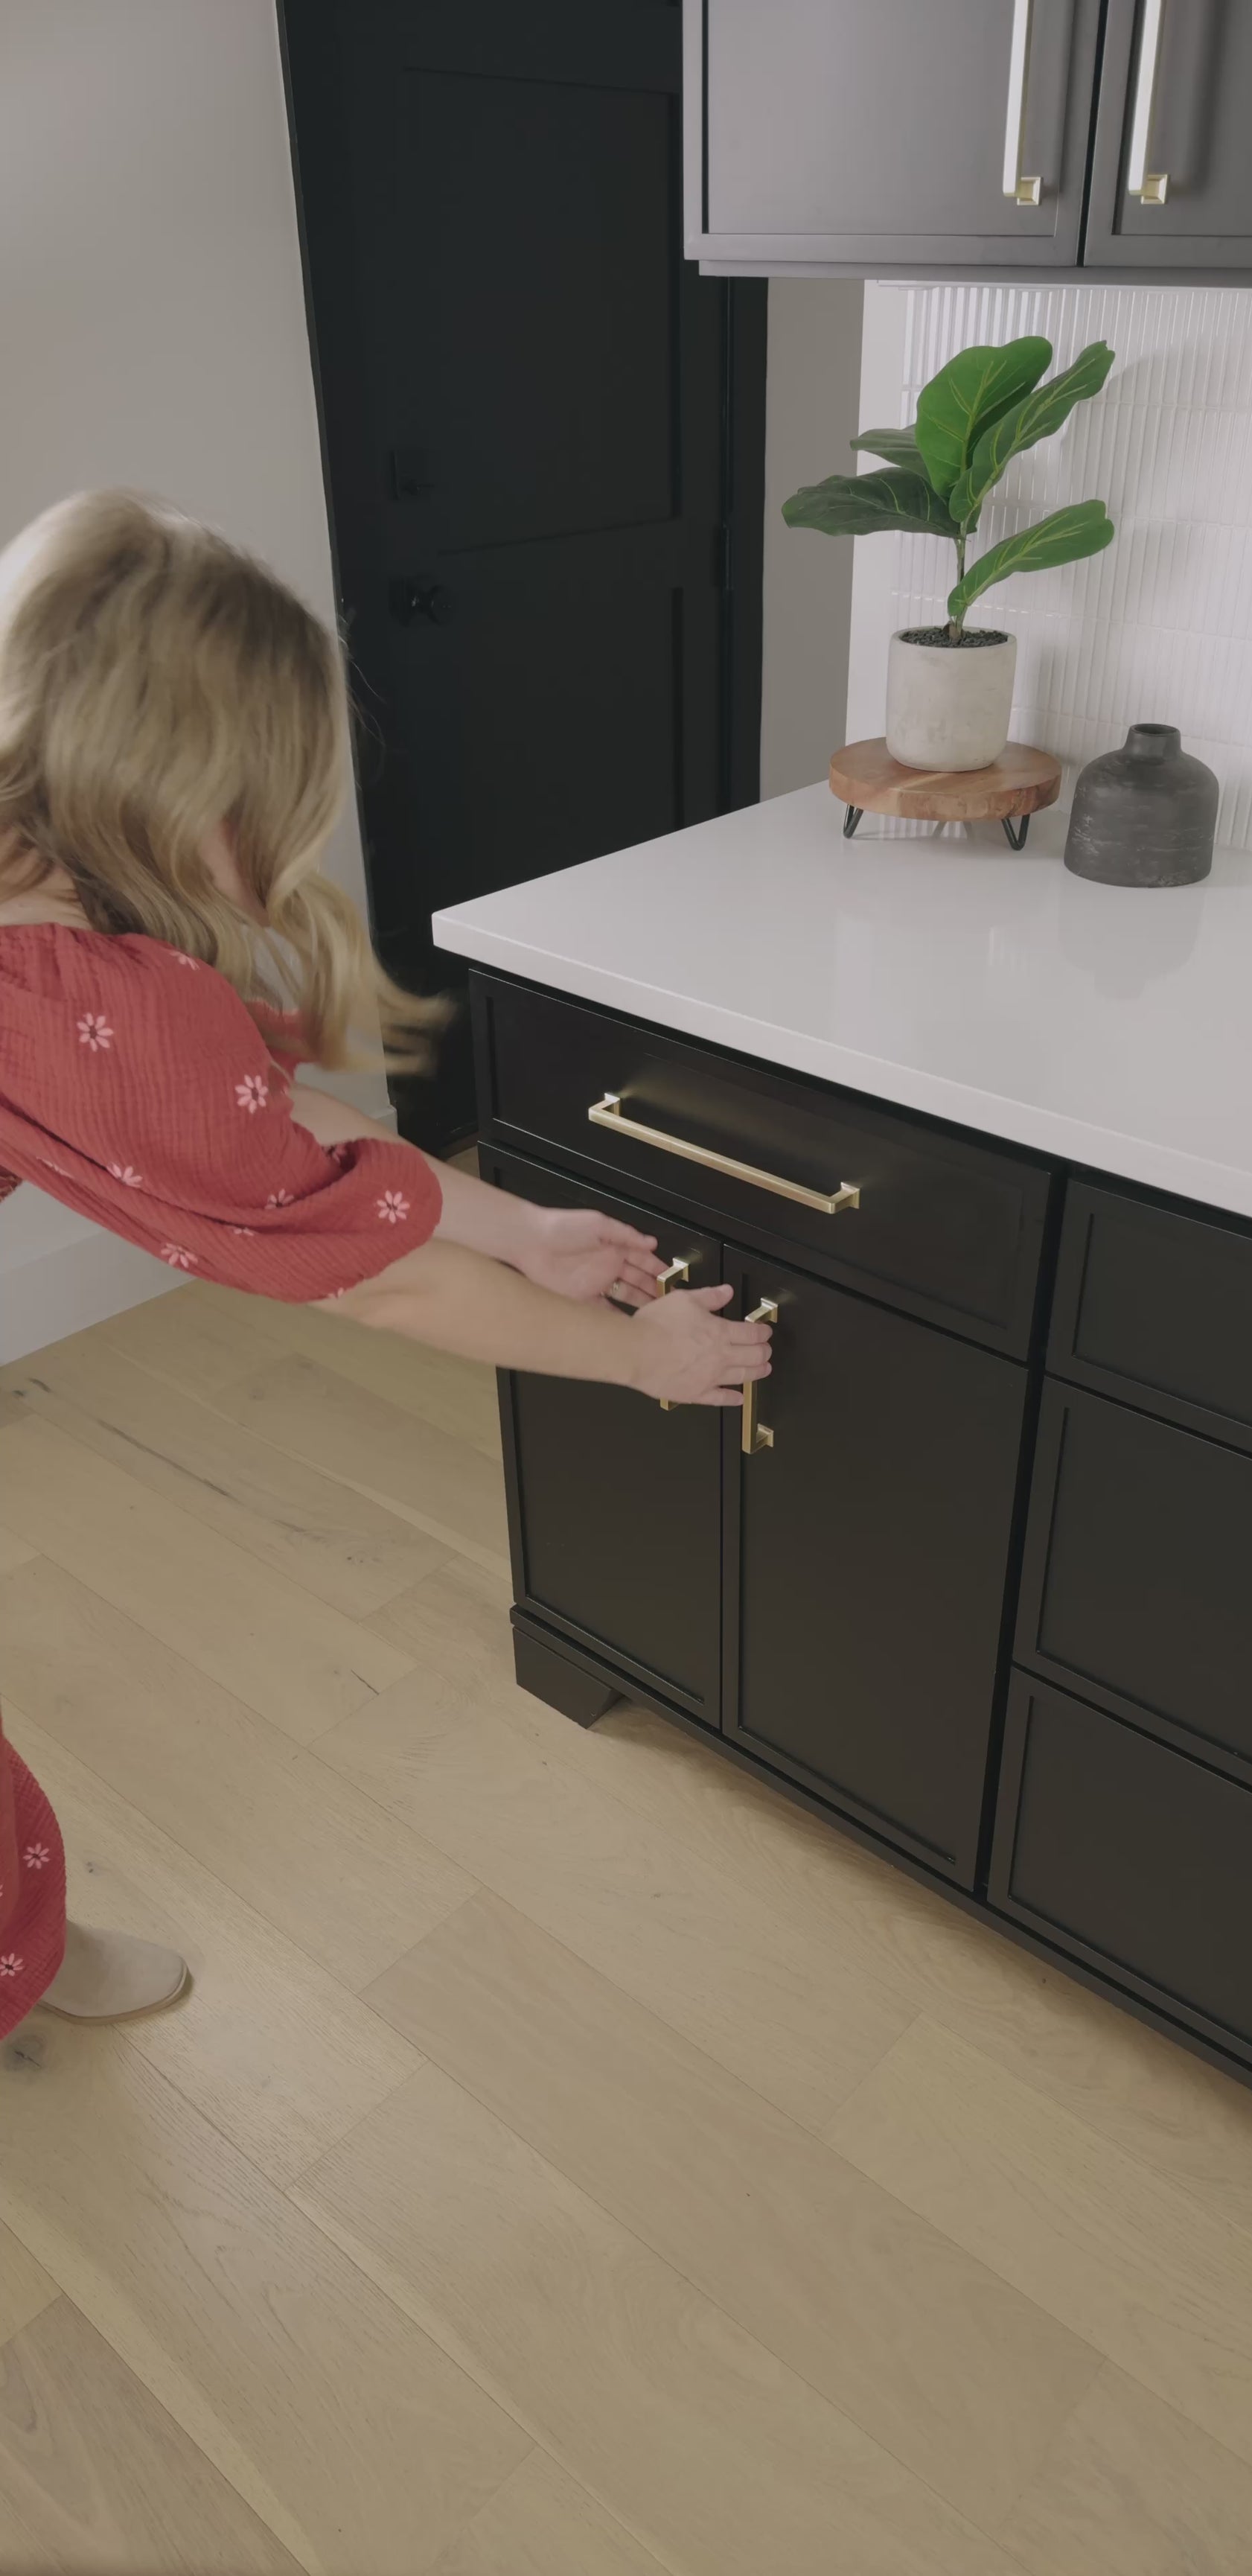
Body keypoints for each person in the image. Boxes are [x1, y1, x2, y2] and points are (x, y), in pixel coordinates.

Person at [0, 490, 772, 2031]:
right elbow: (362, 1270)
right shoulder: (102, 1005)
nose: (281, 849)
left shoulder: (50, 903)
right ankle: (21, 1967)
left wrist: (520, 1223)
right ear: (183, 791)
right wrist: (643, 1355)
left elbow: (274, 1134)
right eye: (267, 808)